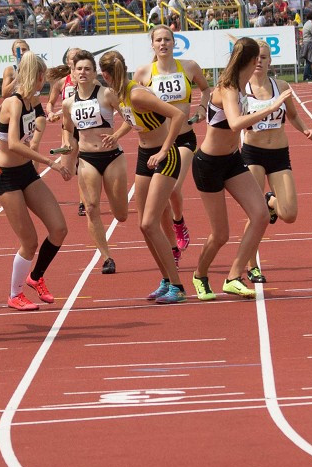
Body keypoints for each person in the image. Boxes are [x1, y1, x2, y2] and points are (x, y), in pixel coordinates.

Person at [190, 37, 286, 301]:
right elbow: (234, 124)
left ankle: (233, 277)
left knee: (261, 216)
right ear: (254, 60)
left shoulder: (242, 87)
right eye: (259, 58)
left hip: (232, 160)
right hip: (208, 164)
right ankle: (199, 275)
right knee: (220, 234)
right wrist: (272, 106)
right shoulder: (229, 89)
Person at [101, 50, 187, 304]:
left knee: (150, 223)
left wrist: (162, 151)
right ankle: (166, 279)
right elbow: (134, 119)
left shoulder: (136, 93)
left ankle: (178, 287)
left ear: (105, 75)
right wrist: (117, 135)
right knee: (144, 225)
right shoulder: (120, 95)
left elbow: (178, 115)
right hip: (144, 155)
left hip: (166, 155)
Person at [0, 51, 71, 311]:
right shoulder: (14, 103)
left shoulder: (32, 101)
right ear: (36, 76)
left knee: (59, 228)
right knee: (29, 241)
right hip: (6, 177)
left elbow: (39, 117)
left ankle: (35, 277)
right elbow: (13, 143)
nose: (44, 82)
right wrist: (50, 162)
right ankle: (14, 294)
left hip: (27, 172)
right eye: (43, 77)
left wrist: (50, 118)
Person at [240, 40, 312, 283]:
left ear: (270, 60)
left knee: (290, 214)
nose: (259, 61)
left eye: (264, 57)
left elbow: (292, 114)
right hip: (252, 153)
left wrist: (305, 129)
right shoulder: (242, 91)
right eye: (255, 57)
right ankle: (252, 266)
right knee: (254, 215)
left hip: (279, 154)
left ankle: (270, 201)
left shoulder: (281, 86)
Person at [133, 25, 211, 263]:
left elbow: (206, 89)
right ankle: (171, 248)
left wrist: (200, 109)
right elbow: (131, 102)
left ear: (174, 43)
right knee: (160, 200)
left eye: (167, 39)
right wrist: (133, 122)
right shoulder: (144, 73)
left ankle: (179, 222)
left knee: (173, 189)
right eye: (159, 40)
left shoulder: (189, 67)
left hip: (184, 138)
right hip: (157, 142)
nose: (163, 44)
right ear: (153, 44)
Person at [60, 51, 127, 273]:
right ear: (73, 72)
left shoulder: (107, 94)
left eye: (87, 69)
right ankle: (107, 257)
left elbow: (130, 119)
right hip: (87, 158)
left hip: (112, 157)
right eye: (79, 69)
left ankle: (120, 212)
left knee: (121, 214)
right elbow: (67, 130)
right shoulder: (68, 103)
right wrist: (67, 146)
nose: (83, 72)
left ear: (94, 72)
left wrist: (116, 136)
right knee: (91, 208)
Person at [46, 47, 88, 217]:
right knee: (67, 172)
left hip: (86, 128)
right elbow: (50, 103)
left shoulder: (90, 80)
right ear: (68, 62)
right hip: (68, 129)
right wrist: (50, 113)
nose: (76, 59)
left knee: (84, 167)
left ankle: (83, 203)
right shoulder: (62, 83)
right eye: (73, 57)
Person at [300, 11, 312, 82]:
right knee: (310, 61)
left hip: (305, 43)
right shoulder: (311, 25)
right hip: (310, 43)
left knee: (308, 60)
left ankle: (310, 75)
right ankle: (306, 76)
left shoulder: (305, 24)